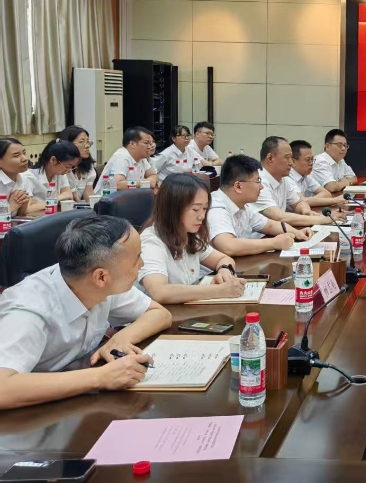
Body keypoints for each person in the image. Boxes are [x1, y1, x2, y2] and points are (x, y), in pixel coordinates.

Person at [0, 215, 172, 410]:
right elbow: (2, 388)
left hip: (72, 400)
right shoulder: (28, 311)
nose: (142, 264)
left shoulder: (99, 280)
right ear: (101, 277)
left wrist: (122, 338)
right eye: (136, 259)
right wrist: (101, 377)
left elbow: (160, 314)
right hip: (28, 416)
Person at [137, 174, 245, 304]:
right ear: (173, 208)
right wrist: (220, 290)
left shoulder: (189, 233)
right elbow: (159, 292)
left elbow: (223, 259)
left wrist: (224, 270)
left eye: (204, 208)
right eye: (195, 209)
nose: (202, 216)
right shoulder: (151, 241)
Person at [208, 155, 310, 257]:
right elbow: (228, 246)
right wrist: (274, 243)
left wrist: (297, 232)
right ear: (238, 186)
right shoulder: (217, 208)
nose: (261, 187)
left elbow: (269, 225)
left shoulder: (243, 206)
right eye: (257, 181)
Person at [249, 136, 329, 227]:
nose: (291, 162)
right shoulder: (257, 182)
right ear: (270, 158)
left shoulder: (284, 179)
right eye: (287, 157)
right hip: (261, 235)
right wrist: (323, 219)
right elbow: (279, 217)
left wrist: (306, 211)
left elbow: (298, 203)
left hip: (279, 231)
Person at [22, 140, 81, 215]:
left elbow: (68, 195)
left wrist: (41, 203)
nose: (69, 170)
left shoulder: (61, 173)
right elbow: (28, 209)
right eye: (68, 166)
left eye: (72, 167)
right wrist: (57, 200)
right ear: (53, 160)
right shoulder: (29, 176)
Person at [289, 140, 345, 209]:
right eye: (307, 160)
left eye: (312, 159)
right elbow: (300, 202)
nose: (311, 163)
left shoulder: (306, 176)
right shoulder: (288, 177)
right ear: (293, 161)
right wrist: (335, 200)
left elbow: (327, 194)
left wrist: (308, 200)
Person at [100, 127, 159, 191]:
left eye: (151, 143)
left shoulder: (141, 157)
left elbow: (153, 175)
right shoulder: (121, 158)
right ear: (133, 144)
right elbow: (117, 184)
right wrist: (144, 183)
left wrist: (150, 181)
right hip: (106, 196)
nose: (150, 146)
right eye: (146, 143)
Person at [58, 126, 97, 202]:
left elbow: (88, 194)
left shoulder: (88, 165)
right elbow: (73, 197)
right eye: (81, 142)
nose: (87, 146)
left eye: (87, 142)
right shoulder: (61, 167)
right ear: (67, 144)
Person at [0, 138, 34, 217]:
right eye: (16, 155)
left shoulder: (23, 178)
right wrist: (11, 207)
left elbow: (20, 215)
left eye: (24, 153)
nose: (25, 159)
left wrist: (23, 205)